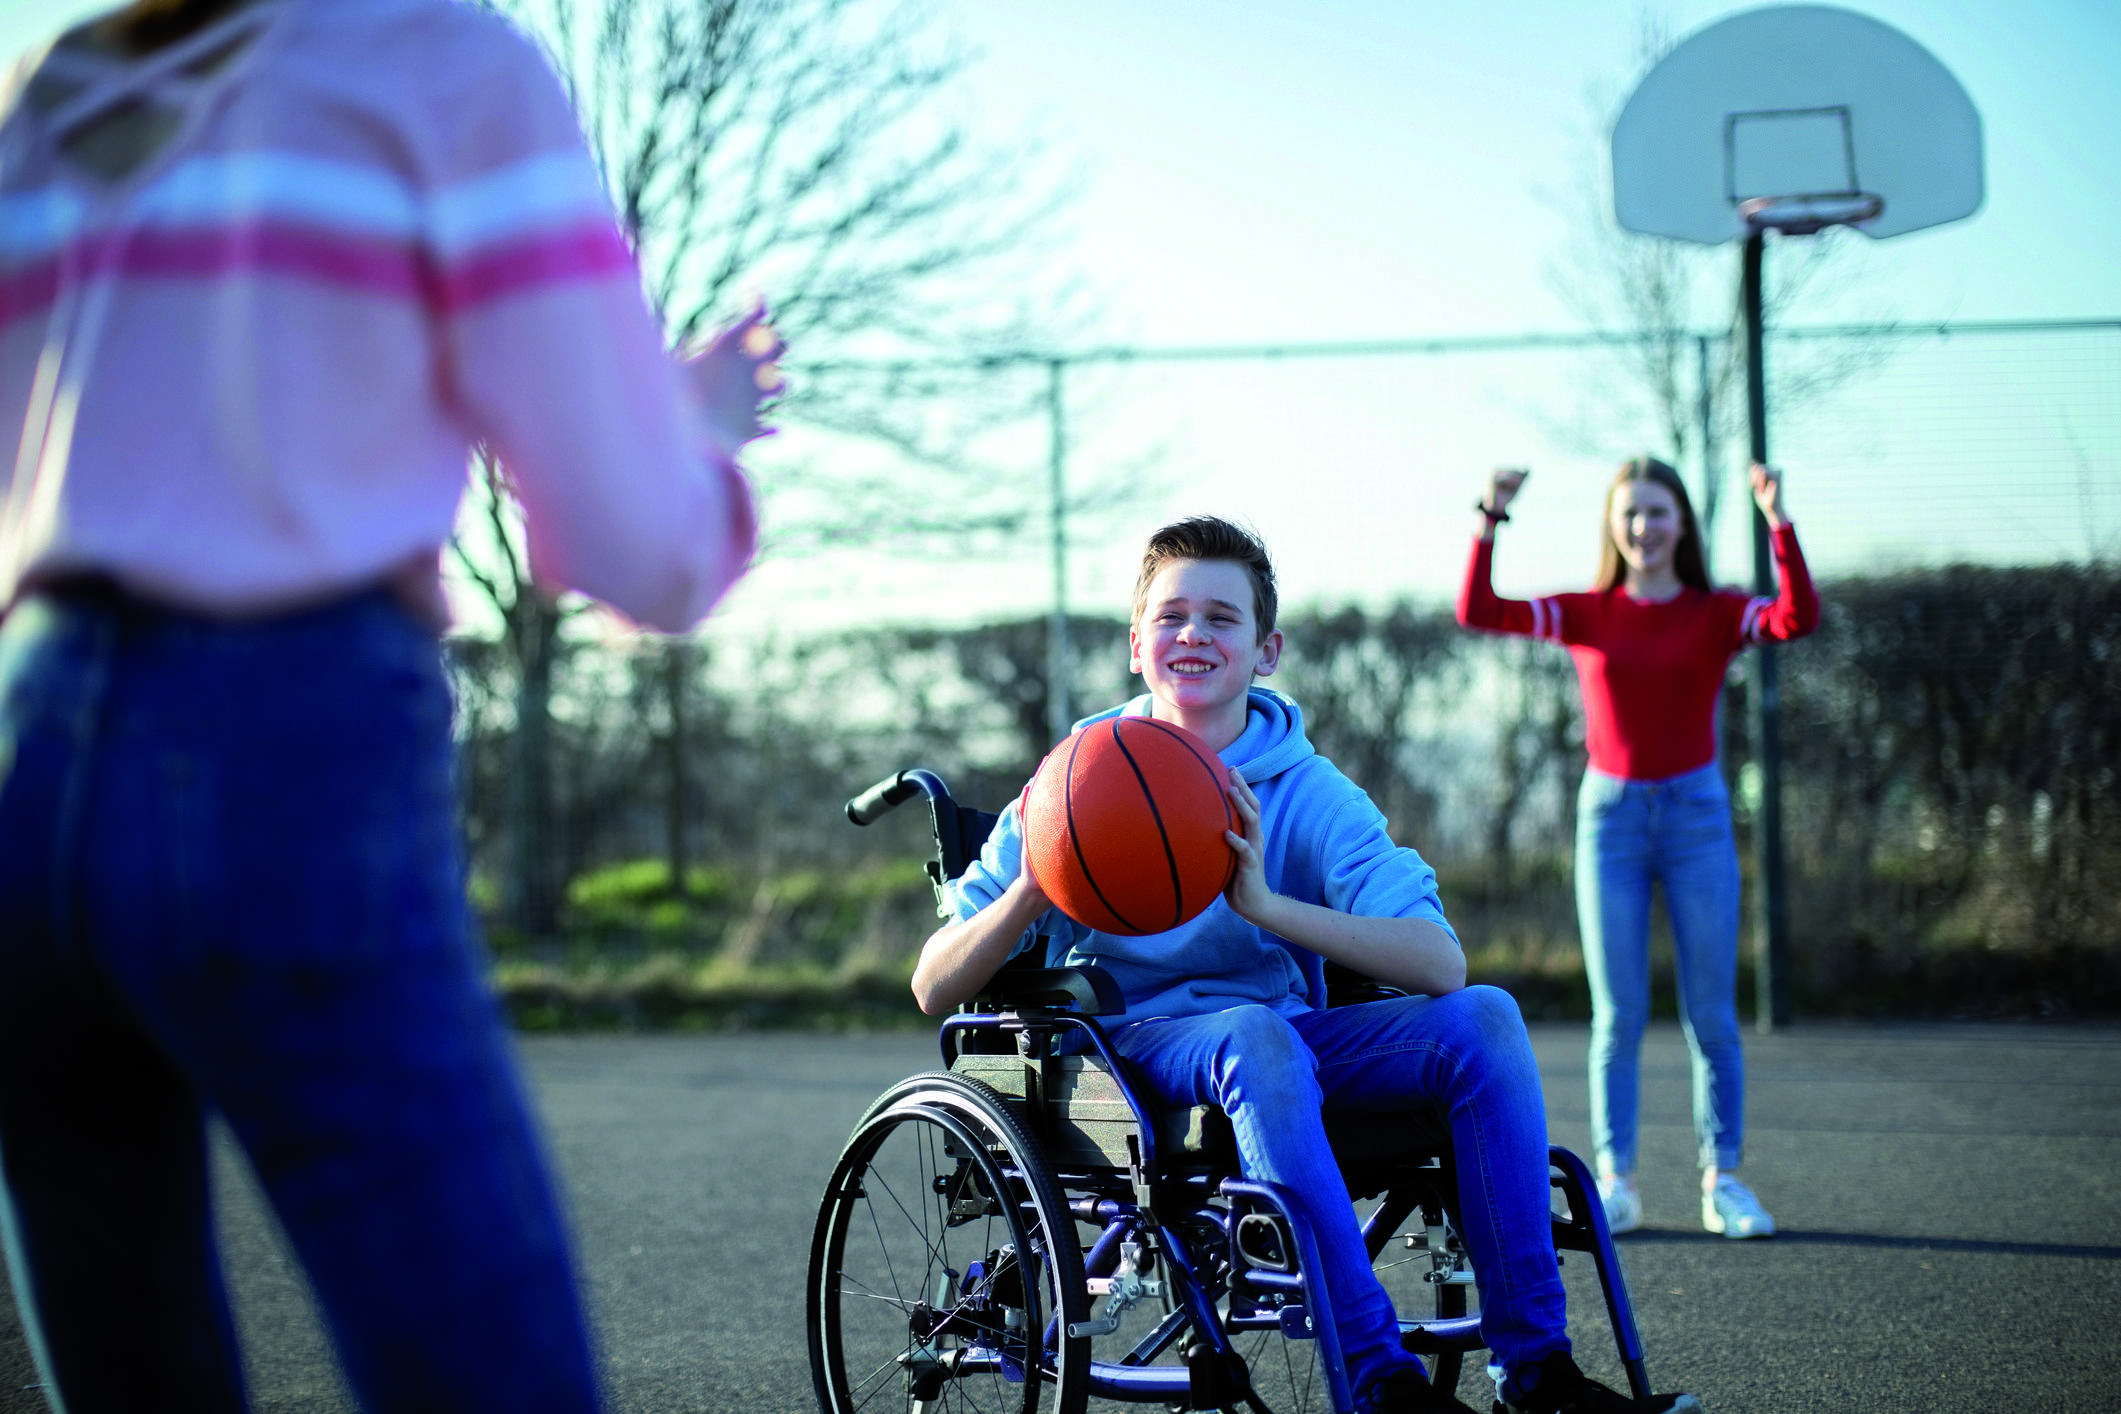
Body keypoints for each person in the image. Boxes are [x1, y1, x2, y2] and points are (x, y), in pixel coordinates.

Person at [0, 0, 777, 1408]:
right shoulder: (439, 63)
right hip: (281, 736)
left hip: (21, 748)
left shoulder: (45, 97)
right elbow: (635, 545)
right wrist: (694, 433)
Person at [914, 516, 1702, 1414]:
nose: (1193, 634)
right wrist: (1033, 888)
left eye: (1221, 618)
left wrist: (1268, 908)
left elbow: (1438, 963)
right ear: (1136, 644)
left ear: (1266, 650)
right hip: (1125, 1053)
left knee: (1484, 1018)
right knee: (1255, 1036)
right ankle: (1379, 1383)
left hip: (1282, 1046)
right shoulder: (1070, 784)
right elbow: (933, 985)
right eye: (1171, 616)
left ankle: (1536, 1371)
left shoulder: (1309, 790)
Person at [1456, 460, 1818, 1241]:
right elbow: (1478, 610)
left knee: (1710, 1014)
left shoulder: (1717, 612)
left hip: (1696, 820)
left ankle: (1723, 1180)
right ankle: (1615, 1184)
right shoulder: (1587, 612)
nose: (1642, 527)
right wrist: (1490, 516)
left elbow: (1794, 618)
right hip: (1609, 821)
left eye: (1656, 512)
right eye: (1628, 514)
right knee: (1616, 1016)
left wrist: (1777, 520)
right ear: (1611, 526)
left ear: (1680, 522)